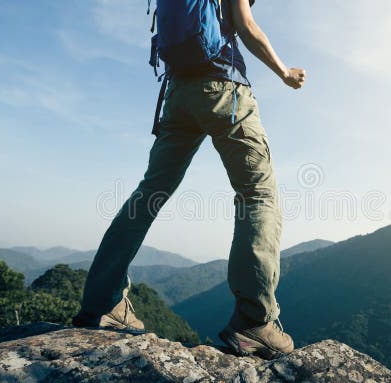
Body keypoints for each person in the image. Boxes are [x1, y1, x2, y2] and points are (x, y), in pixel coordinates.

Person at [73, 0, 305, 359]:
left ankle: (102, 303)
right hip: (224, 87)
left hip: (177, 94)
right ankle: (255, 321)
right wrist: (284, 73)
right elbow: (245, 25)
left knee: (149, 193)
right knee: (257, 195)